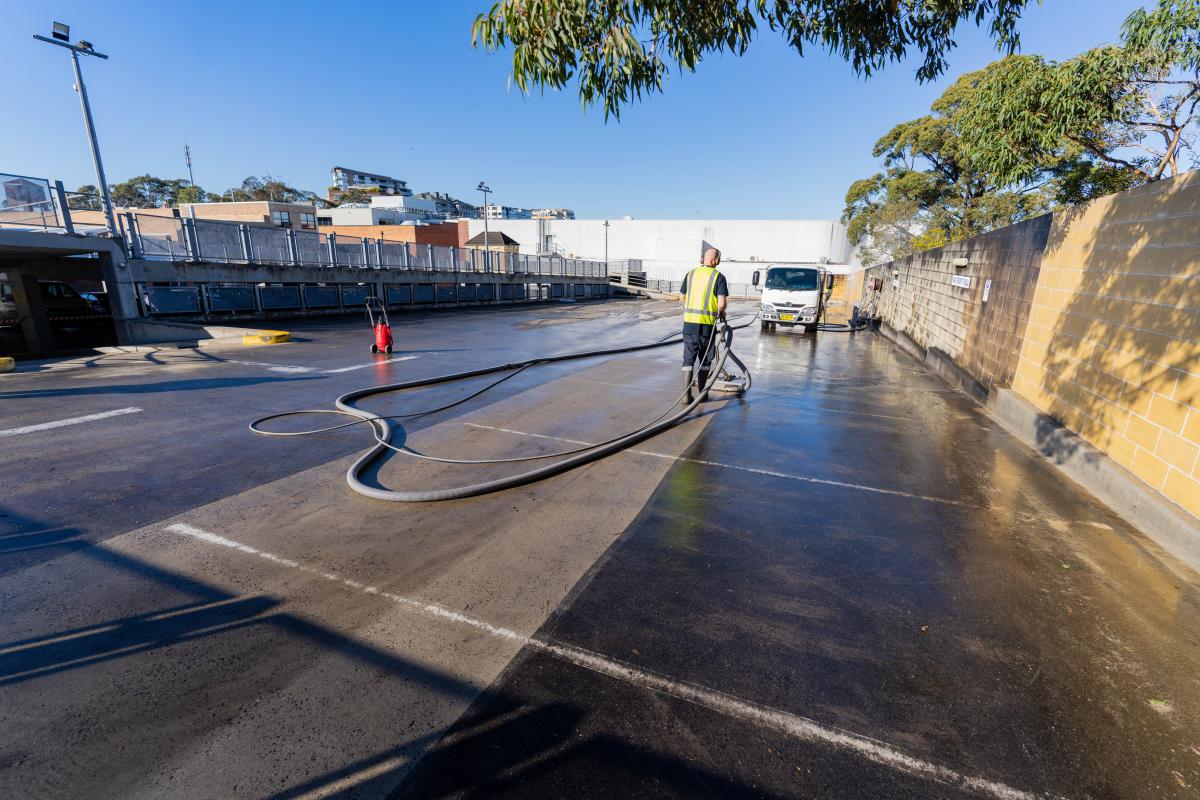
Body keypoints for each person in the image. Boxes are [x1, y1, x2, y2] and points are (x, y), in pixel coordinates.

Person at [678, 247, 729, 403]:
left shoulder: (690, 274)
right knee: (705, 360)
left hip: (689, 326)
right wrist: (722, 312)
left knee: (688, 360)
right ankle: (702, 394)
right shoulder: (718, 277)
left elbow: (681, 299)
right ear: (716, 260)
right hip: (707, 327)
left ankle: (686, 396)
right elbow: (721, 304)